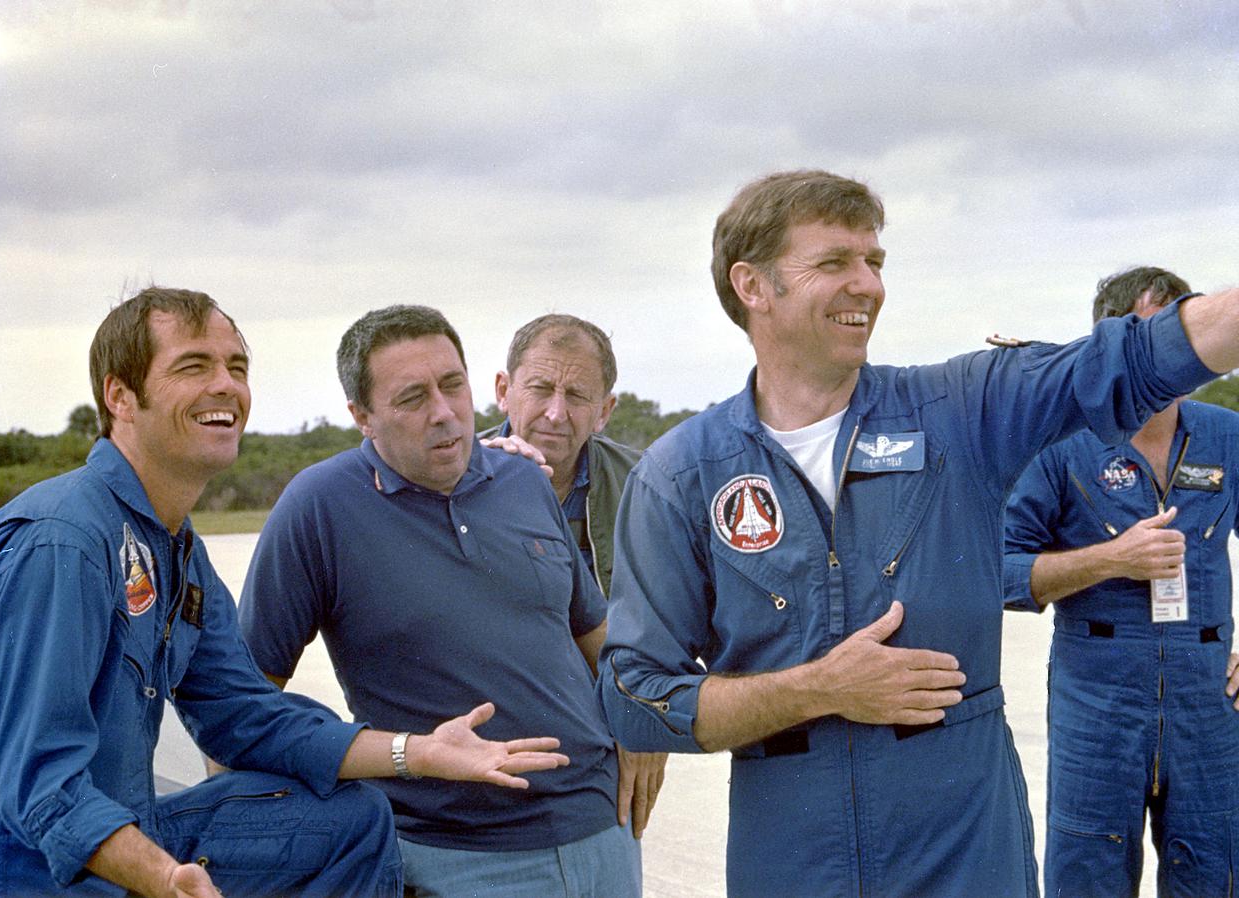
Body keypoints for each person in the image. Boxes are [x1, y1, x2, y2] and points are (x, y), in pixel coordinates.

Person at [596, 169, 1239, 897]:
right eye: (834, 262)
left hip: (967, 858)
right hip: (793, 861)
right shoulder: (684, 473)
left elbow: (1126, 360)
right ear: (753, 285)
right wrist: (819, 690)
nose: (867, 284)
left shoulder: (960, 411)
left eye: (874, 262)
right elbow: (632, 695)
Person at [0, 288, 567, 898]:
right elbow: (43, 787)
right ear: (120, 396)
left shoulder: (175, 549)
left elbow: (247, 716)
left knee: (352, 819)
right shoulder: (63, 543)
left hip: (127, 825)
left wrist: (419, 751)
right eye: (194, 366)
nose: (226, 385)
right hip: (19, 866)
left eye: (237, 367)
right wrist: (164, 879)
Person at [238, 305, 663, 898]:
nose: (443, 413)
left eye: (452, 386)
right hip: (450, 857)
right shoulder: (318, 507)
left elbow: (595, 636)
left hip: (602, 837)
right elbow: (243, 706)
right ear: (362, 416)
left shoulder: (524, 481)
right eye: (412, 397)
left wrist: (642, 725)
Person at [1003, 266, 1239, 898]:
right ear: (1112, 344)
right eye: (1148, 334)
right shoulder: (1058, 443)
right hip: (1097, 700)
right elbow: (1002, 570)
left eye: (1176, 334)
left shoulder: (1228, 436)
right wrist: (1112, 560)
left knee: (1215, 868)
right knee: (1087, 875)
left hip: (1209, 699)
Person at [483, 313, 641, 596]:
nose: (556, 414)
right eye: (540, 389)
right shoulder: (452, 474)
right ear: (504, 391)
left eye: (577, 396)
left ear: (604, 411)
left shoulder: (644, 485)